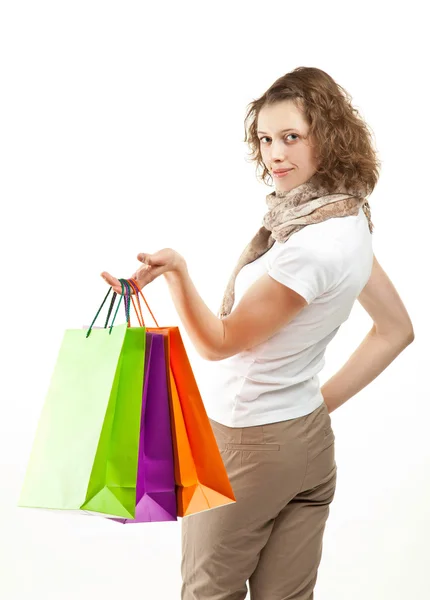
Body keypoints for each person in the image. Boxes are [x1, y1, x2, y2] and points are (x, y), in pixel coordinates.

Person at [101, 66, 415, 600]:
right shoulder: (347, 219)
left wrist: (177, 271)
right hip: (307, 444)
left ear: (330, 136)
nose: (275, 154)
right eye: (266, 139)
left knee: (207, 592)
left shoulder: (308, 250)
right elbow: (396, 329)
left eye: (292, 137)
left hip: (247, 446)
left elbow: (218, 344)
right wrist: (311, 408)